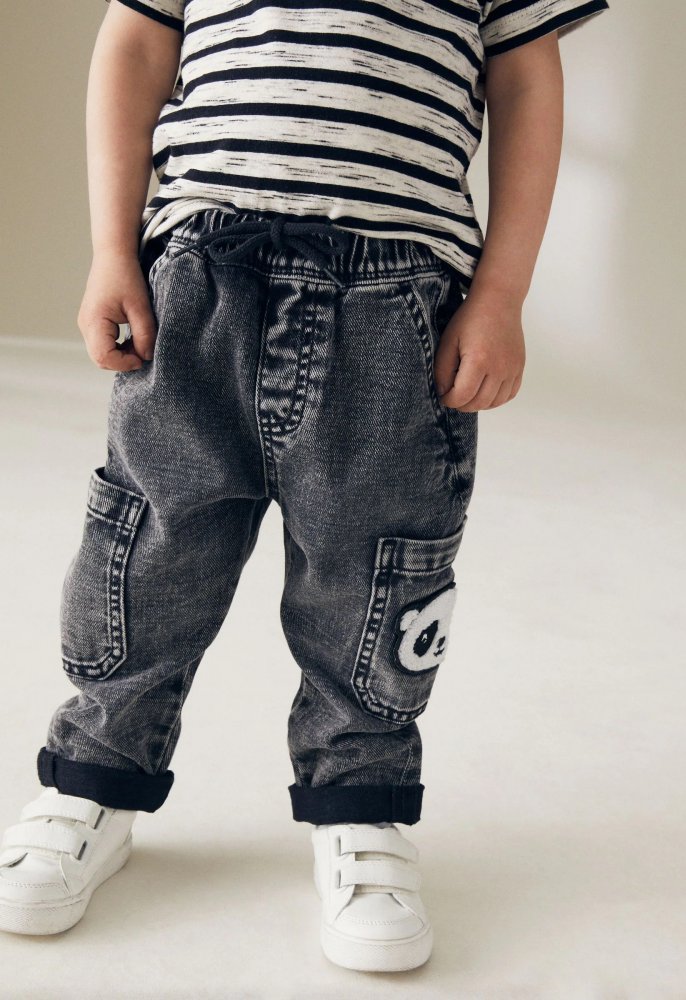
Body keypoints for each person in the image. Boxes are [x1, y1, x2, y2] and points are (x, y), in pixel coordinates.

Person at [0, 0, 609, 971]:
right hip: (201, 271)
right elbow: (138, 40)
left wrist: (502, 291)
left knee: (376, 571)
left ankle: (360, 804)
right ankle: (92, 780)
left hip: (400, 293)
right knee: (150, 546)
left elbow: (527, 77)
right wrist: (113, 247)